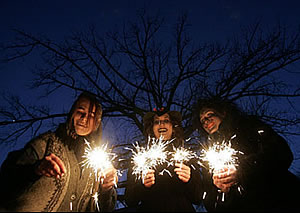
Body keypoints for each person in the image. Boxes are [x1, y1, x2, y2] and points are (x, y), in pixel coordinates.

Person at [0, 91, 118, 212]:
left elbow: (104, 209)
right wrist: (35, 170)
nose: (84, 117)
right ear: (72, 113)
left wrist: (106, 190)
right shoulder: (45, 144)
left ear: (97, 123)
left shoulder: (99, 166)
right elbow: (6, 183)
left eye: (91, 115)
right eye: (80, 110)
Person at [193, 97, 300, 212]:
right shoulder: (208, 154)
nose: (206, 121)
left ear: (223, 113)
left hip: (280, 200)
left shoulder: (249, 127)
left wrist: (242, 171)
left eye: (210, 115)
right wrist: (221, 191)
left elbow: (281, 153)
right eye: (202, 120)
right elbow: (211, 202)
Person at [125, 107, 203, 212]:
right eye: (156, 122)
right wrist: (142, 185)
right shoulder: (141, 158)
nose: (161, 124)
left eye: (166, 120)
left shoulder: (187, 157)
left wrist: (189, 180)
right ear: (152, 128)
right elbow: (129, 200)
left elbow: (198, 198)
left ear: (173, 126)